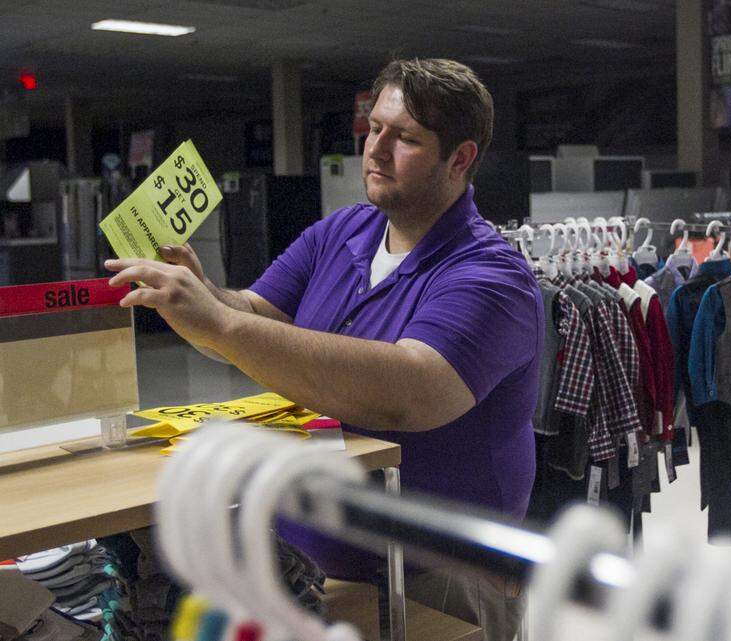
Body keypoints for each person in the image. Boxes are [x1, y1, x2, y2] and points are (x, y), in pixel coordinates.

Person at [106, 58, 541, 640]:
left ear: (460, 158)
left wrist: (222, 326)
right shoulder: (343, 232)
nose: (376, 150)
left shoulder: (492, 275)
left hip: (442, 577)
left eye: (405, 138)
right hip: (314, 567)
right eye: (374, 130)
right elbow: (257, 313)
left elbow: (409, 392)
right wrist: (201, 295)